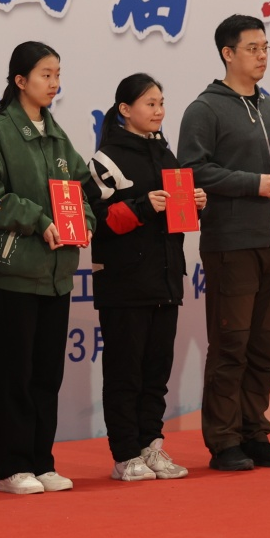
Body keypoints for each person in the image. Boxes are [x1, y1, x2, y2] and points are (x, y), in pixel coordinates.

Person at [177, 15, 270, 472]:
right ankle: (224, 441)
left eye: (266, 48)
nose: (262, 56)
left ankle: (256, 434)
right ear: (227, 53)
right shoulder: (205, 109)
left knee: (265, 348)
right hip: (232, 243)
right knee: (230, 345)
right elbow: (191, 170)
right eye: (253, 48)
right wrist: (252, 183)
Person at [0, 42, 94, 495]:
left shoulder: (57, 136)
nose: (54, 83)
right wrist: (38, 220)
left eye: (57, 74)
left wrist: (84, 223)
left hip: (57, 277)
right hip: (15, 274)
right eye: (45, 74)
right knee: (14, 375)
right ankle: (12, 467)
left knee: (46, 375)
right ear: (20, 81)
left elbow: (81, 190)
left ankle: (42, 461)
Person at [85, 73, 206, 482]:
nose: (159, 111)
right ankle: (124, 455)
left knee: (157, 372)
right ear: (125, 109)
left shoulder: (166, 154)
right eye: (150, 104)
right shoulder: (105, 160)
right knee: (125, 373)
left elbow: (176, 217)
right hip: (125, 283)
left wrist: (197, 203)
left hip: (166, 279)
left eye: (161, 103)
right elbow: (95, 221)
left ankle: (151, 445)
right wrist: (142, 206)